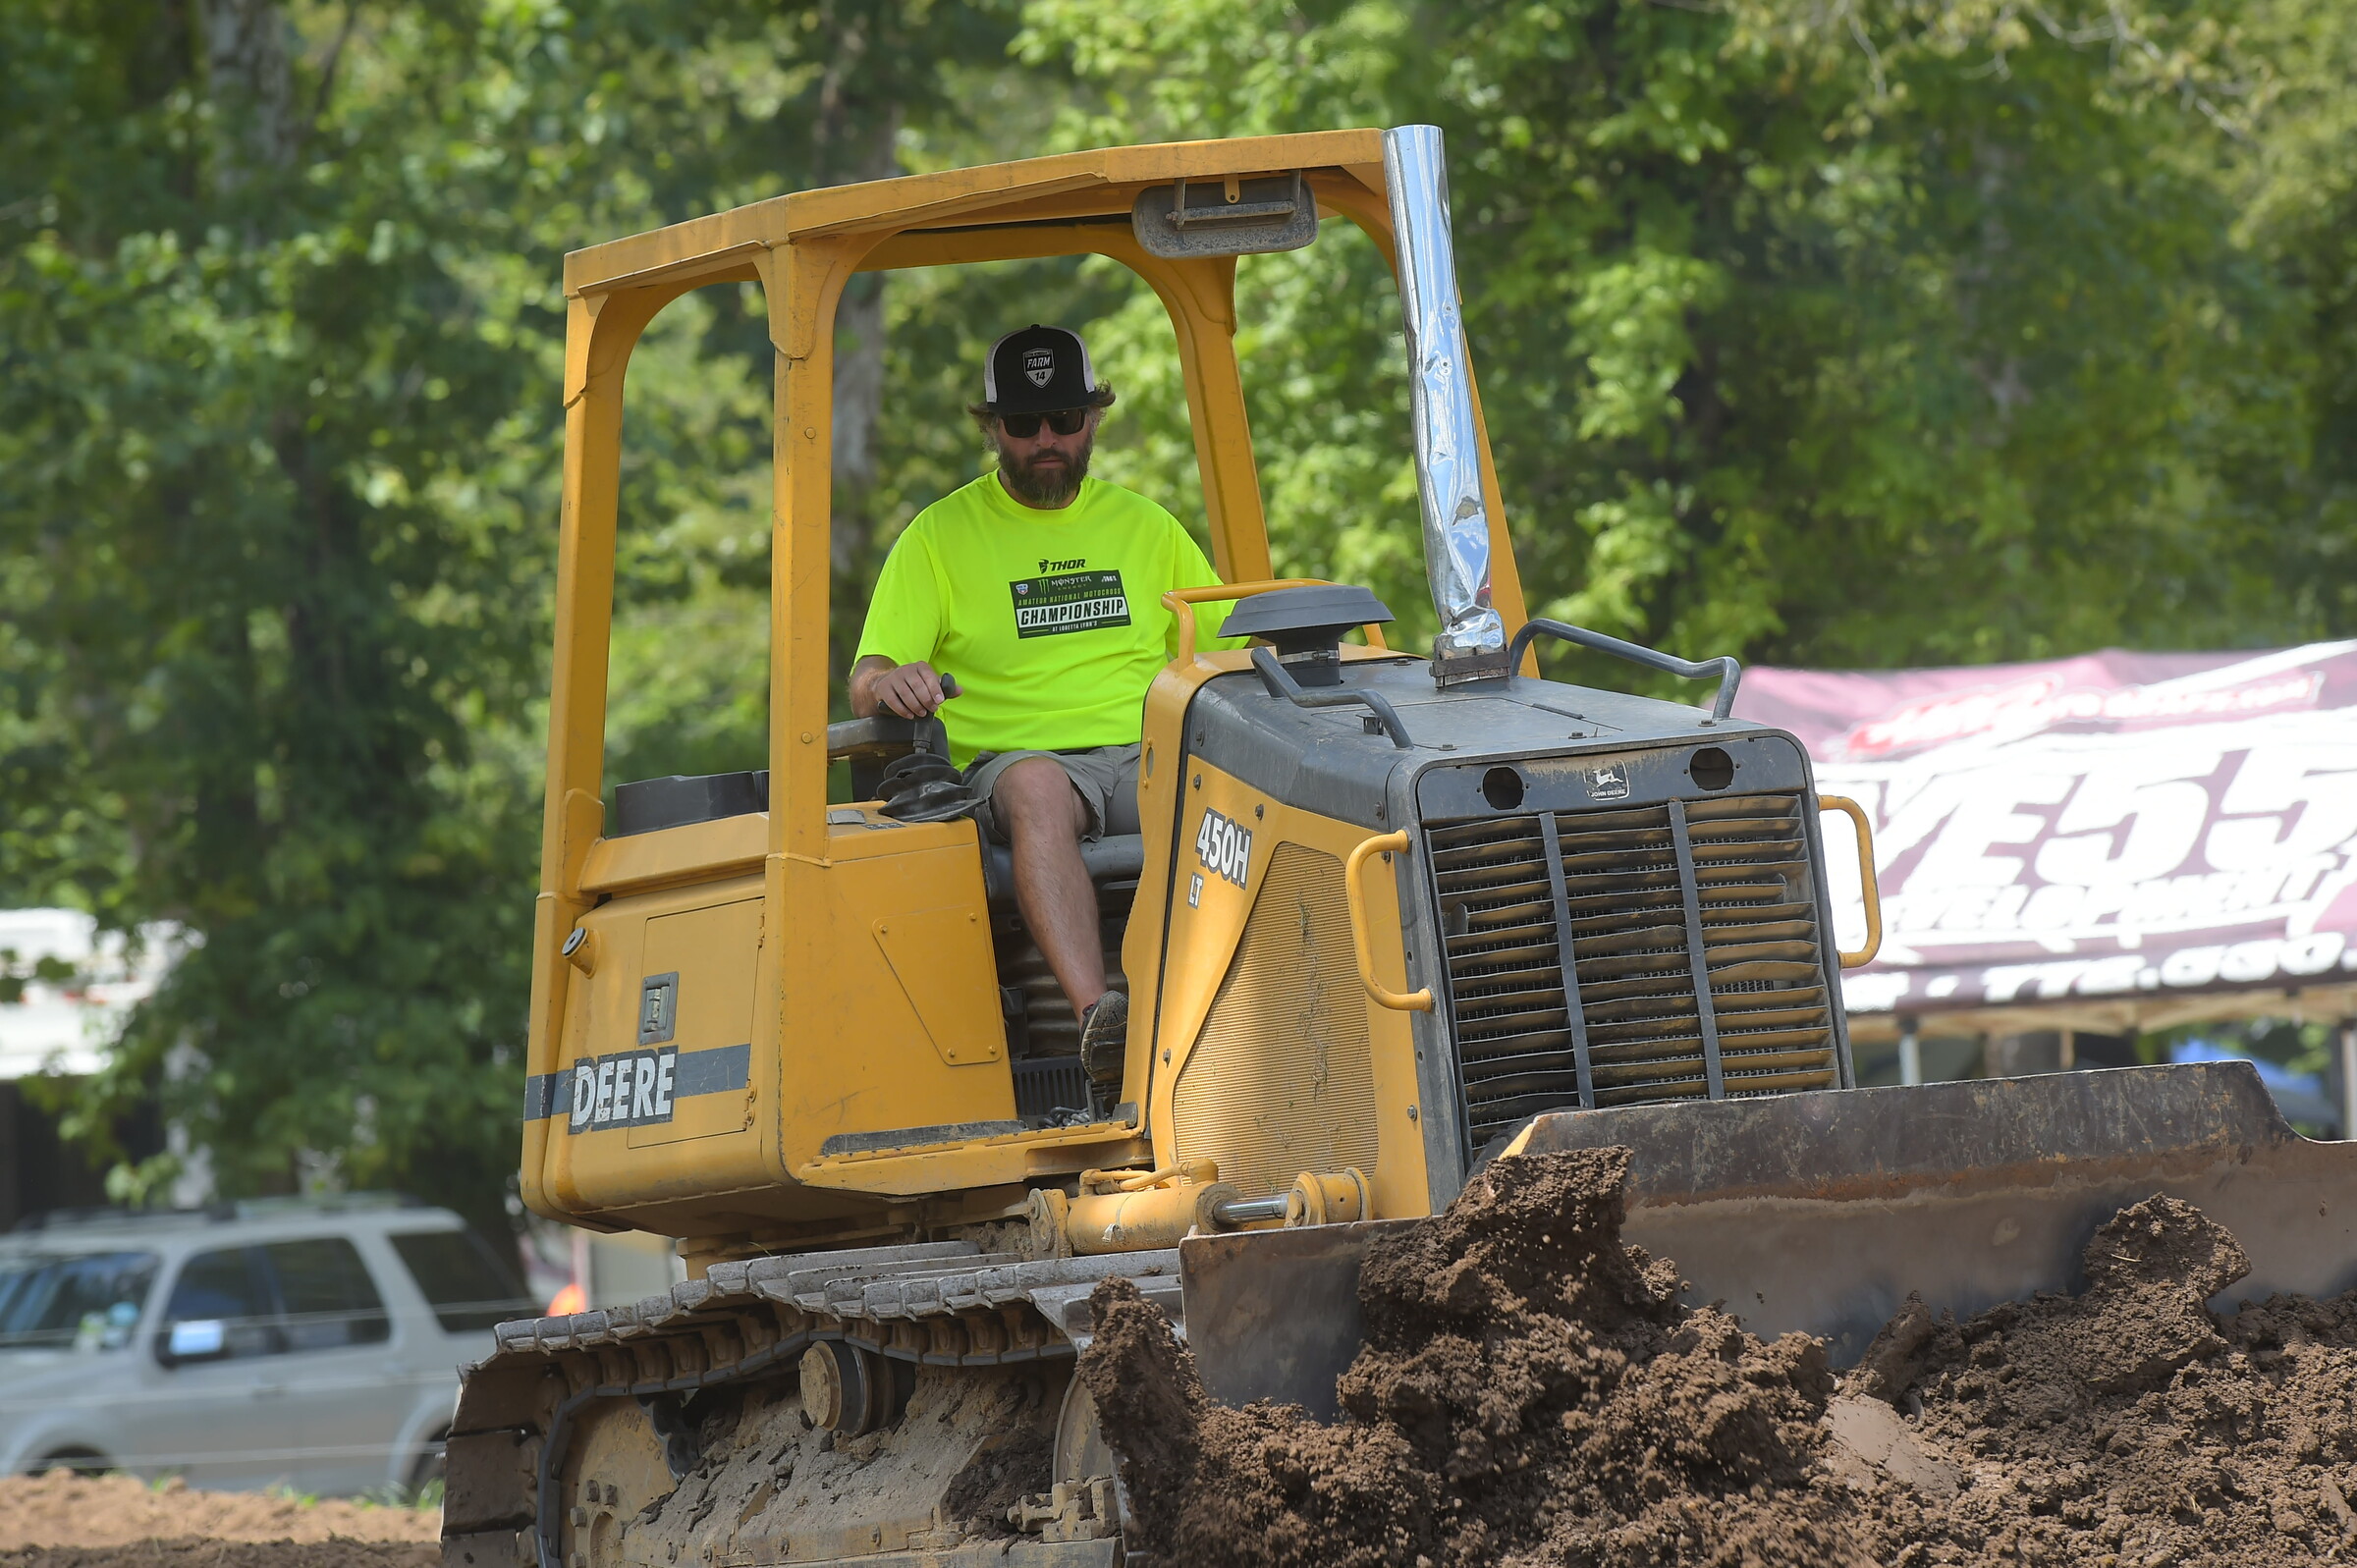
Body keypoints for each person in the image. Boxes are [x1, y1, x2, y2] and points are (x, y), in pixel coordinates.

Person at [850, 324, 1228, 1095]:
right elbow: (870, 675)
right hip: (1022, 763)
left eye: (1064, 418)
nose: (1046, 439)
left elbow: (1231, 644)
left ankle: (1248, 1009)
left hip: (1148, 754)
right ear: (993, 428)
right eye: (1023, 424)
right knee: (1036, 792)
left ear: (1094, 419)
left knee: (1252, 780)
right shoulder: (938, 537)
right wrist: (895, 683)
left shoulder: (1148, 527)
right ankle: (1103, 1023)